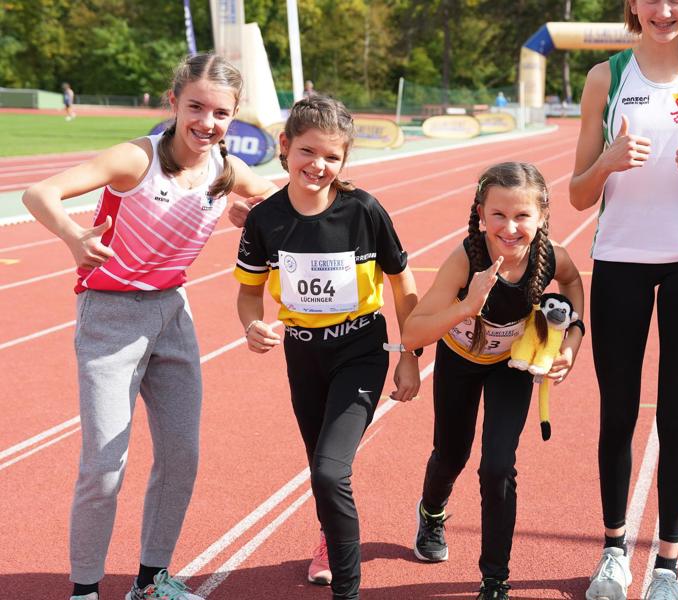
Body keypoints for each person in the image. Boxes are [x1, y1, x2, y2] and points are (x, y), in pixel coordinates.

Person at [22, 53, 278, 600]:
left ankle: (150, 580)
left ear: (234, 117)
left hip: (173, 315)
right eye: (196, 107)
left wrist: (248, 211)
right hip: (110, 319)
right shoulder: (135, 159)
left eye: (221, 113)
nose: (208, 122)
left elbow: (275, 196)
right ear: (173, 103)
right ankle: (85, 590)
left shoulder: (226, 167)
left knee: (182, 455)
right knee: (104, 467)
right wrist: (74, 237)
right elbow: (37, 193)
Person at [568, 0, 678, 598]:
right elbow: (574, 193)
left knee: (677, 414)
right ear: (632, 6)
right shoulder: (607, 77)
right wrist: (607, 163)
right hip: (619, 259)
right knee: (617, 412)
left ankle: (668, 565)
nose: (664, 9)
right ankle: (614, 552)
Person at [234, 94, 420, 600]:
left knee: (329, 469)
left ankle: (348, 589)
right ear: (285, 147)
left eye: (332, 157)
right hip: (303, 354)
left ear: (345, 160)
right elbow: (249, 294)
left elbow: (403, 286)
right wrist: (253, 327)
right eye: (308, 152)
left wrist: (409, 355)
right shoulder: (265, 219)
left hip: (359, 349)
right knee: (320, 465)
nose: (319, 165)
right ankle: (329, 537)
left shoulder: (363, 210)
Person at [402, 162, 584, 600]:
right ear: (481, 213)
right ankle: (431, 512)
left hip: (509, 366)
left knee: (498, 466)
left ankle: (495, 579)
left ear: (541, 216)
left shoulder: (551, 256)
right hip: (460, 359)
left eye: (522, 216)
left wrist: (572, 342)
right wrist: (467, 306)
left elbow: (574, 282)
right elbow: (412, 332)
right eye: (498, 215)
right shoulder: (466, 258)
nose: (510, 227)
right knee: (451, 455)